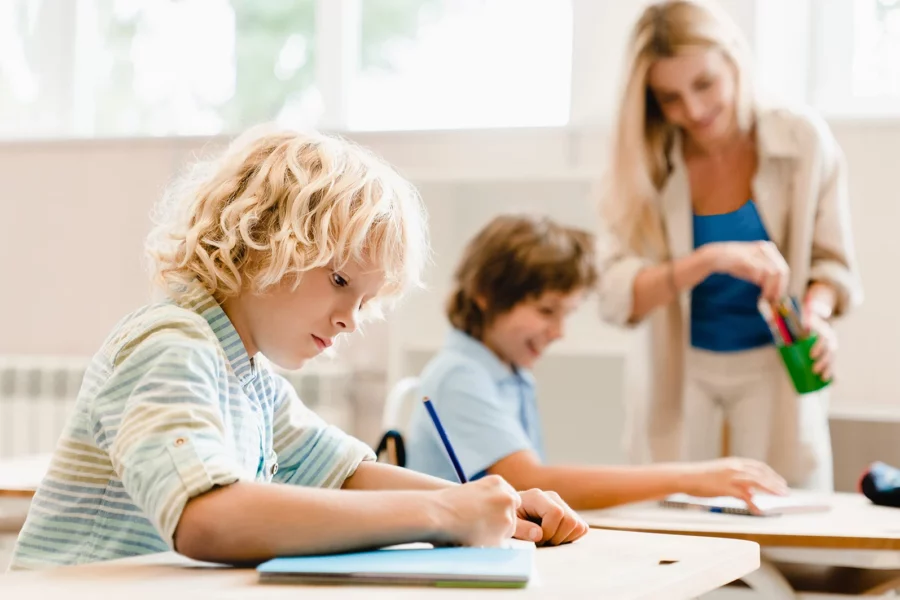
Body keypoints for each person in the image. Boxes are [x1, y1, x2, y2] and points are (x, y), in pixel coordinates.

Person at [9, 128, 587, 571]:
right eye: (340, 282)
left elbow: (345, 474)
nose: (350, 320)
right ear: (258, 240)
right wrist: (442, 514)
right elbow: (205, 519)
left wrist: (500, 502)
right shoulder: (170, 343)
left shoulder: (251, 378)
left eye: (364, 301)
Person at [596, 0, 862, 490]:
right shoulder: (644, 162)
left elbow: (832, 263)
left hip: (773, 363)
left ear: (735, 59)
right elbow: (615, 297)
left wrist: (818, 317)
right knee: (670, 514)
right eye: (669, 98)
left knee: (786, 517)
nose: (693, 111)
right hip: (680, 367)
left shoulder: (802, 140)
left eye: (704, 84)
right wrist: (707, 260)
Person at [405, 213, 787, 511]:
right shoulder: (459, 375)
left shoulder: (509, 371)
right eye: (546, 310)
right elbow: (528, 482)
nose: (558, 332)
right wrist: (690, 477)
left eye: (565, 314)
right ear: (486, 295)